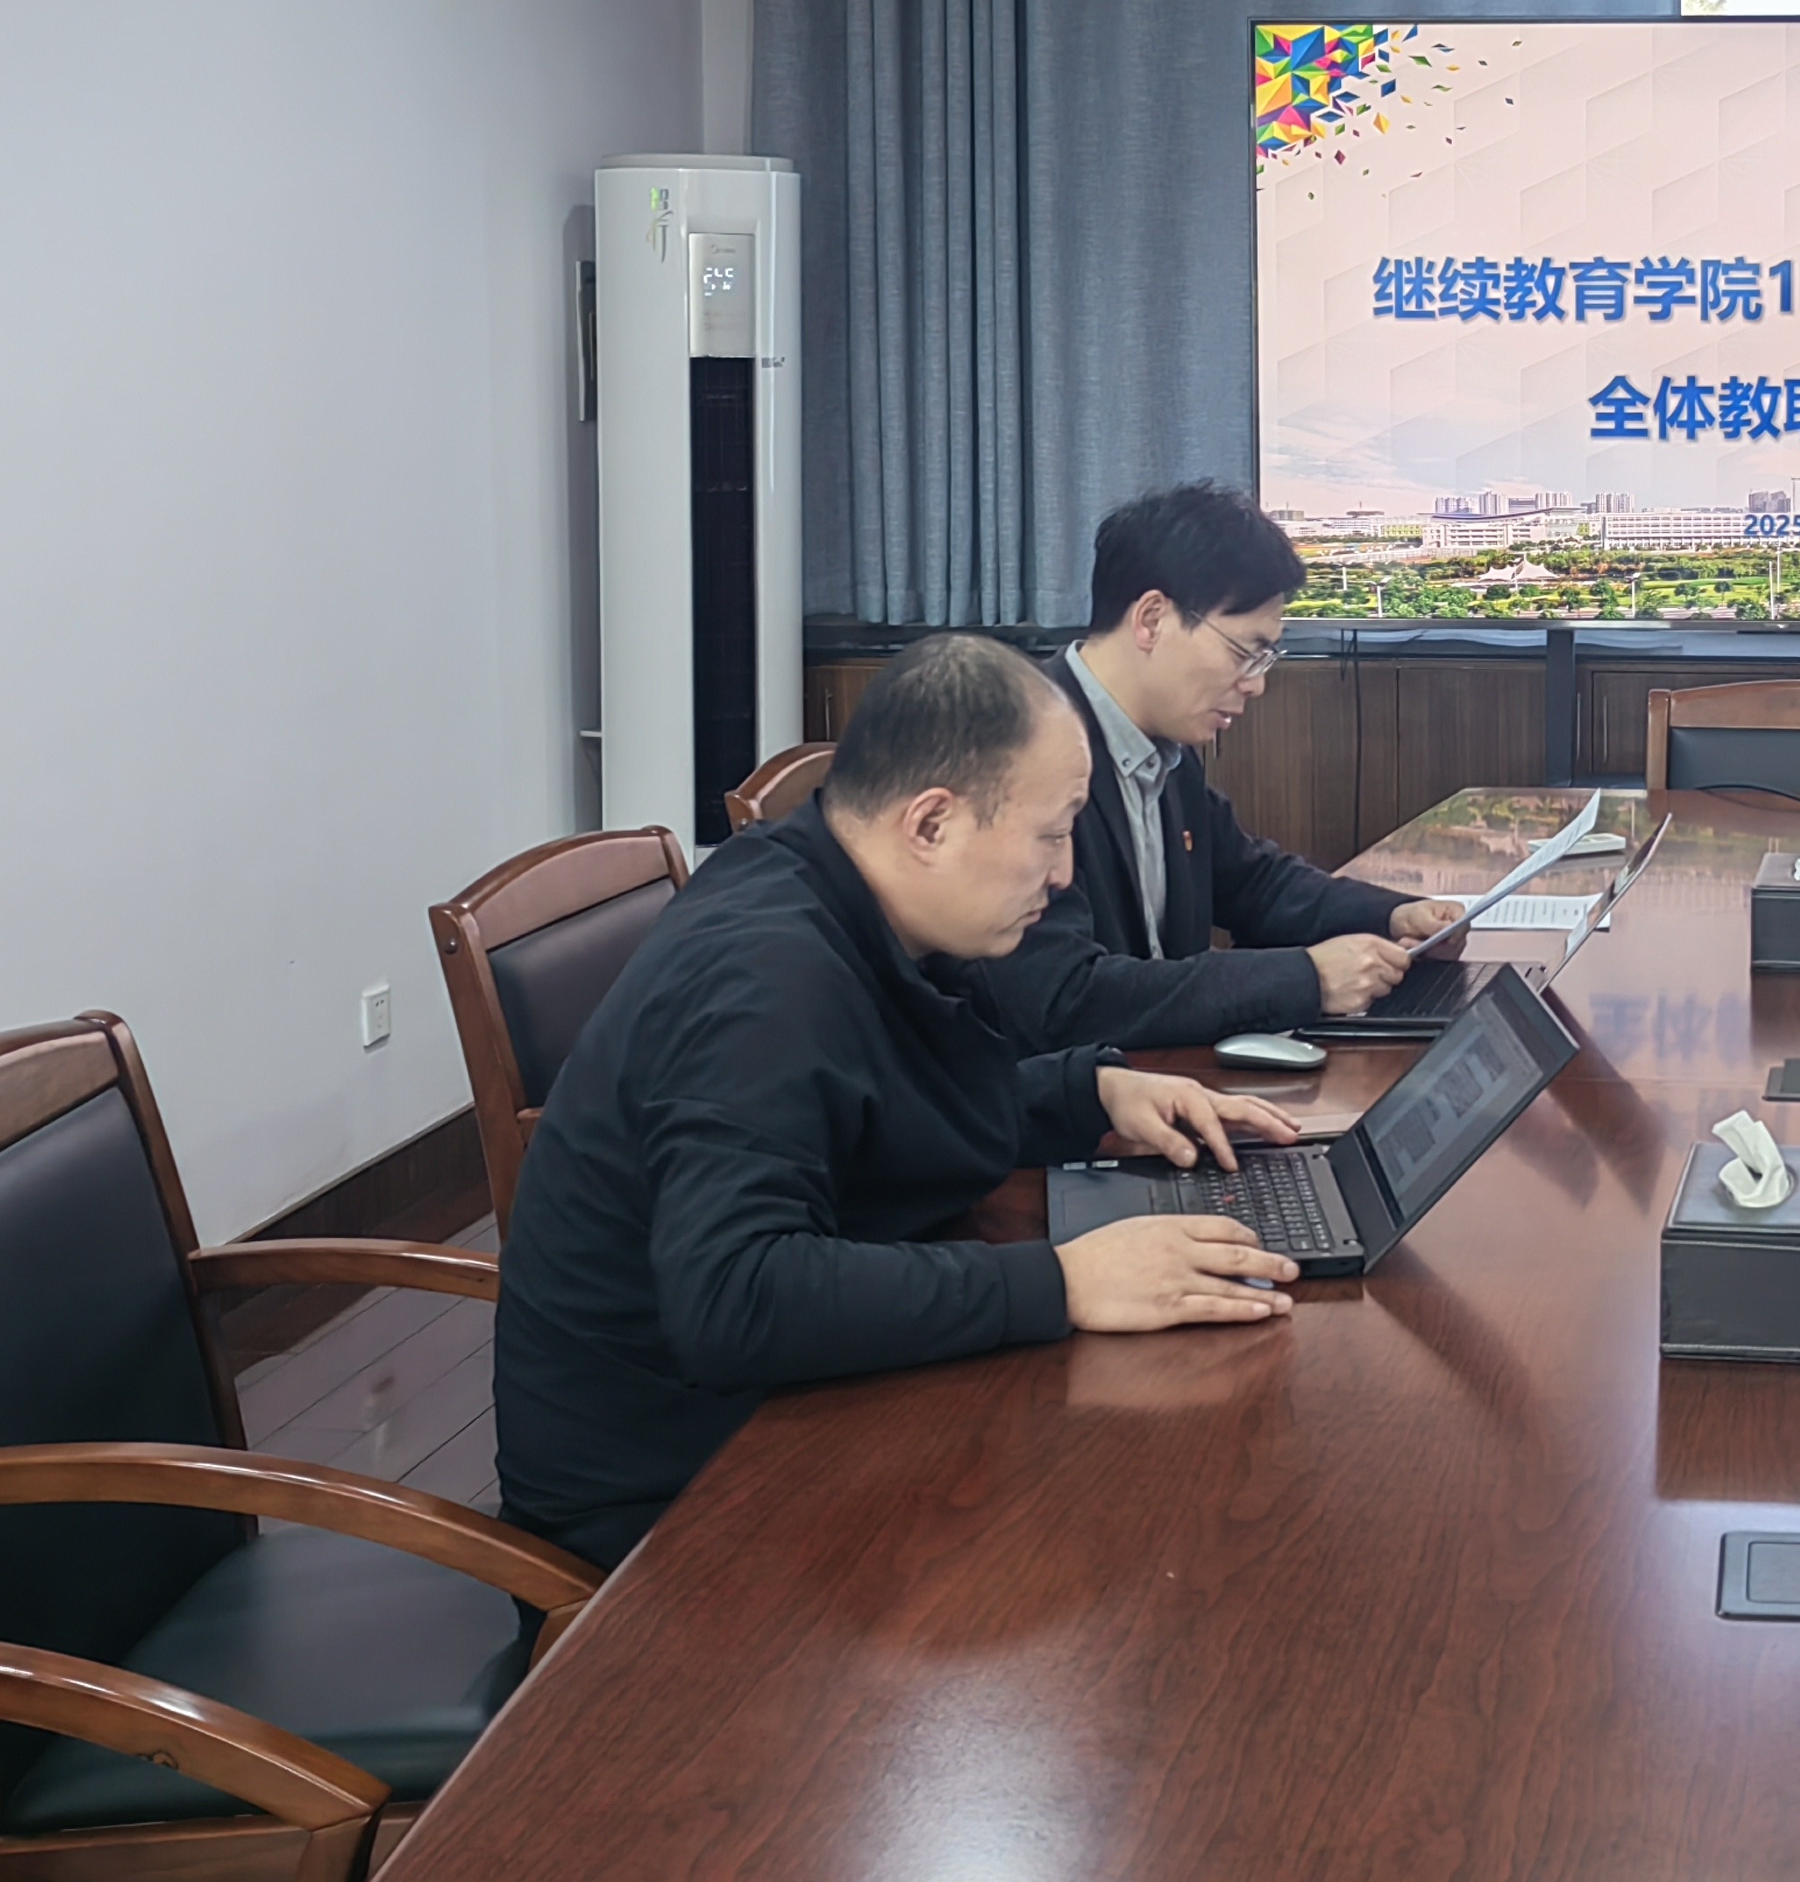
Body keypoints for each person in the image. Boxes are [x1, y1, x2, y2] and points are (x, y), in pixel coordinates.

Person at [495, 634, 1309, 1565]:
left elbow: (873, 1106)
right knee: (1127, 1527)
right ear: (930, 825)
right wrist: (1066, 1281)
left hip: (767, 1411)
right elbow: (734, 1298)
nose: (1063, 875)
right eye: (1052, 835)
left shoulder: (829, 884)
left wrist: (1088, 1092)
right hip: (671, 1498)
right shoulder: (767, 978)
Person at [981, 482, 1458, 1050]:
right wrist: (1305, 979)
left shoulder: (1166, 748)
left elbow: (1254, 883)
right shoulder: (1016, 747)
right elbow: (1065, 996)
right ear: (1152, 620)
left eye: (1266, 657)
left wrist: (1396, 916)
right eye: (1244, 652)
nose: (1256, 684)